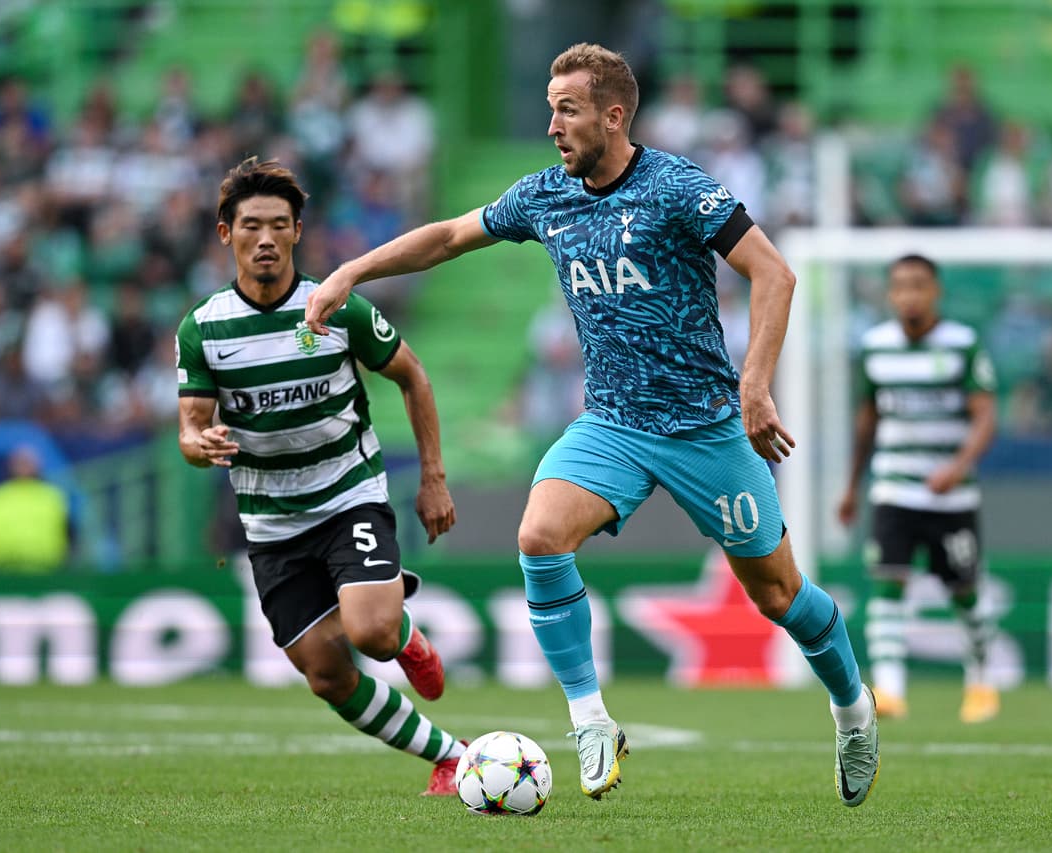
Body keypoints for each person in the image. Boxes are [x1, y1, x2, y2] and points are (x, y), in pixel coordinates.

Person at [305, 43, 880, 807]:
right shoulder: (546, 195)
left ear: (613, 116)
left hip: (706, 428)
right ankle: (591, 720)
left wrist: (755, 384)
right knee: (540, 535)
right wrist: (351, 272)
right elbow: (446, 237)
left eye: (567, 110)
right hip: (611, 425)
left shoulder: (677, 186)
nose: (552, 126)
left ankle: (853, 710)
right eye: (550, 109)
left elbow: (773, 271)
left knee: (779, 597)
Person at [175, 158, 466, 796]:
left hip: (347, 497)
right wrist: (202, 444)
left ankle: (402, 633)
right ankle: (452, 757)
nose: (266, 239)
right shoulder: (203, 329)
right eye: (251, 226)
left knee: (371, 634)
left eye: (279, 225)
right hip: (271, 525)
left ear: (298, 232)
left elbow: (413, 375)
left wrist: (433, 478)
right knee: (326, 675)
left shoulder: (335, 308)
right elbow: (189, 432)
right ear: (226, 234)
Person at [836, 254, 1000, 724]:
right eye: (901, 286)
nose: (910, 295)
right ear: (891, 294)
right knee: (888, 583)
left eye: (919, 285)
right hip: (894, 489)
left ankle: (981, 681)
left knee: (964, 592)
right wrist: (851, 486)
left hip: (952, 496)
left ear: (936, 292)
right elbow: (867, 420)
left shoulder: (962, 344)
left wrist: (958, 466)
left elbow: (985, 416)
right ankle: (890, 689)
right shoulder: (876, 347)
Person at [0, 445, 69, 573]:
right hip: (3, 570)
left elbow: (66, 531)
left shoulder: (52, 497)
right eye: (20, 462)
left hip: (46, 570)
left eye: (27, 462)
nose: (23, 467)